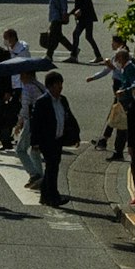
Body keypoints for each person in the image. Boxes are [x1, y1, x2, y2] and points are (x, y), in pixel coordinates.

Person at [29, 70, 80, 208]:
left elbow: (69, 117)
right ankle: (53, 196)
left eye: (61, 85)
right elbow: (36, 123)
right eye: (58, 85)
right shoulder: (42, 102)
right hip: (47, 140)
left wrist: (76, 134)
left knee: (52, 167)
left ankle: (45, 196)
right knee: (52, 168)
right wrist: (35, 142)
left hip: (59, 139)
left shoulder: (62, 100)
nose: (60, 88)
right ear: (50, 86)